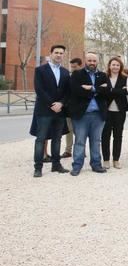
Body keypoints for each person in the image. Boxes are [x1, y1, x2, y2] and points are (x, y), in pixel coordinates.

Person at [66, 52, 109, 176]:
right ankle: (77, 166)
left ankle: (96, 164)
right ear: (85, 61)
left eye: (94, 61)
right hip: (81, 115)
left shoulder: (103, 75)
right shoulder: (76, 74)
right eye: (89, 60)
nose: (92, 63)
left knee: (96, 141)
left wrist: (90, 88)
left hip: (98, 115)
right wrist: (97, 89)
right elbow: (76, 91)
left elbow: (106, 92)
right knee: (79, 141)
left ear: (97, 62)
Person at [31, 45, 71, 177]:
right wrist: (51, 104)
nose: (59, 55)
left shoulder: (66, 72)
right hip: (44, 110)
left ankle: (56, 165)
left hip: (60, 111)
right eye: (56, 52)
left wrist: (61, 103)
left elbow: (67, 91)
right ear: (51, 53)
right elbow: (39, 90)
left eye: (61, 53)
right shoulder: (40, 70)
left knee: (57, 139)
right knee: (40, 139)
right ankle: (38, 167)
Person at [101, 56, 128, 169]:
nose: (115, 67)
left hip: (119, 111)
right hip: (106, 111)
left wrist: (110, 90)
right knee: (105, 136)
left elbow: (125, 92)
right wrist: (118, 91)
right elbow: (102, 92)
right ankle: (106, 159)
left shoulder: (125, 78)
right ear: (109, 66)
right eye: (113, 65)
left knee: (118, 136)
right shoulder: (103, 76)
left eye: (117, 65)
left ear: (120, 66)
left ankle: (116, 160)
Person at [62, 57, 83, 158]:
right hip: (69, 108)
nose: (73, 69)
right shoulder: (69, 77)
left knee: (78, 131)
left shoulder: (84, 77)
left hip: (79, 109)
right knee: (69, 130)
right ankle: (68, 150)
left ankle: (81, 150)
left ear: (80, 66)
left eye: (75, 67)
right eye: (72, 67)